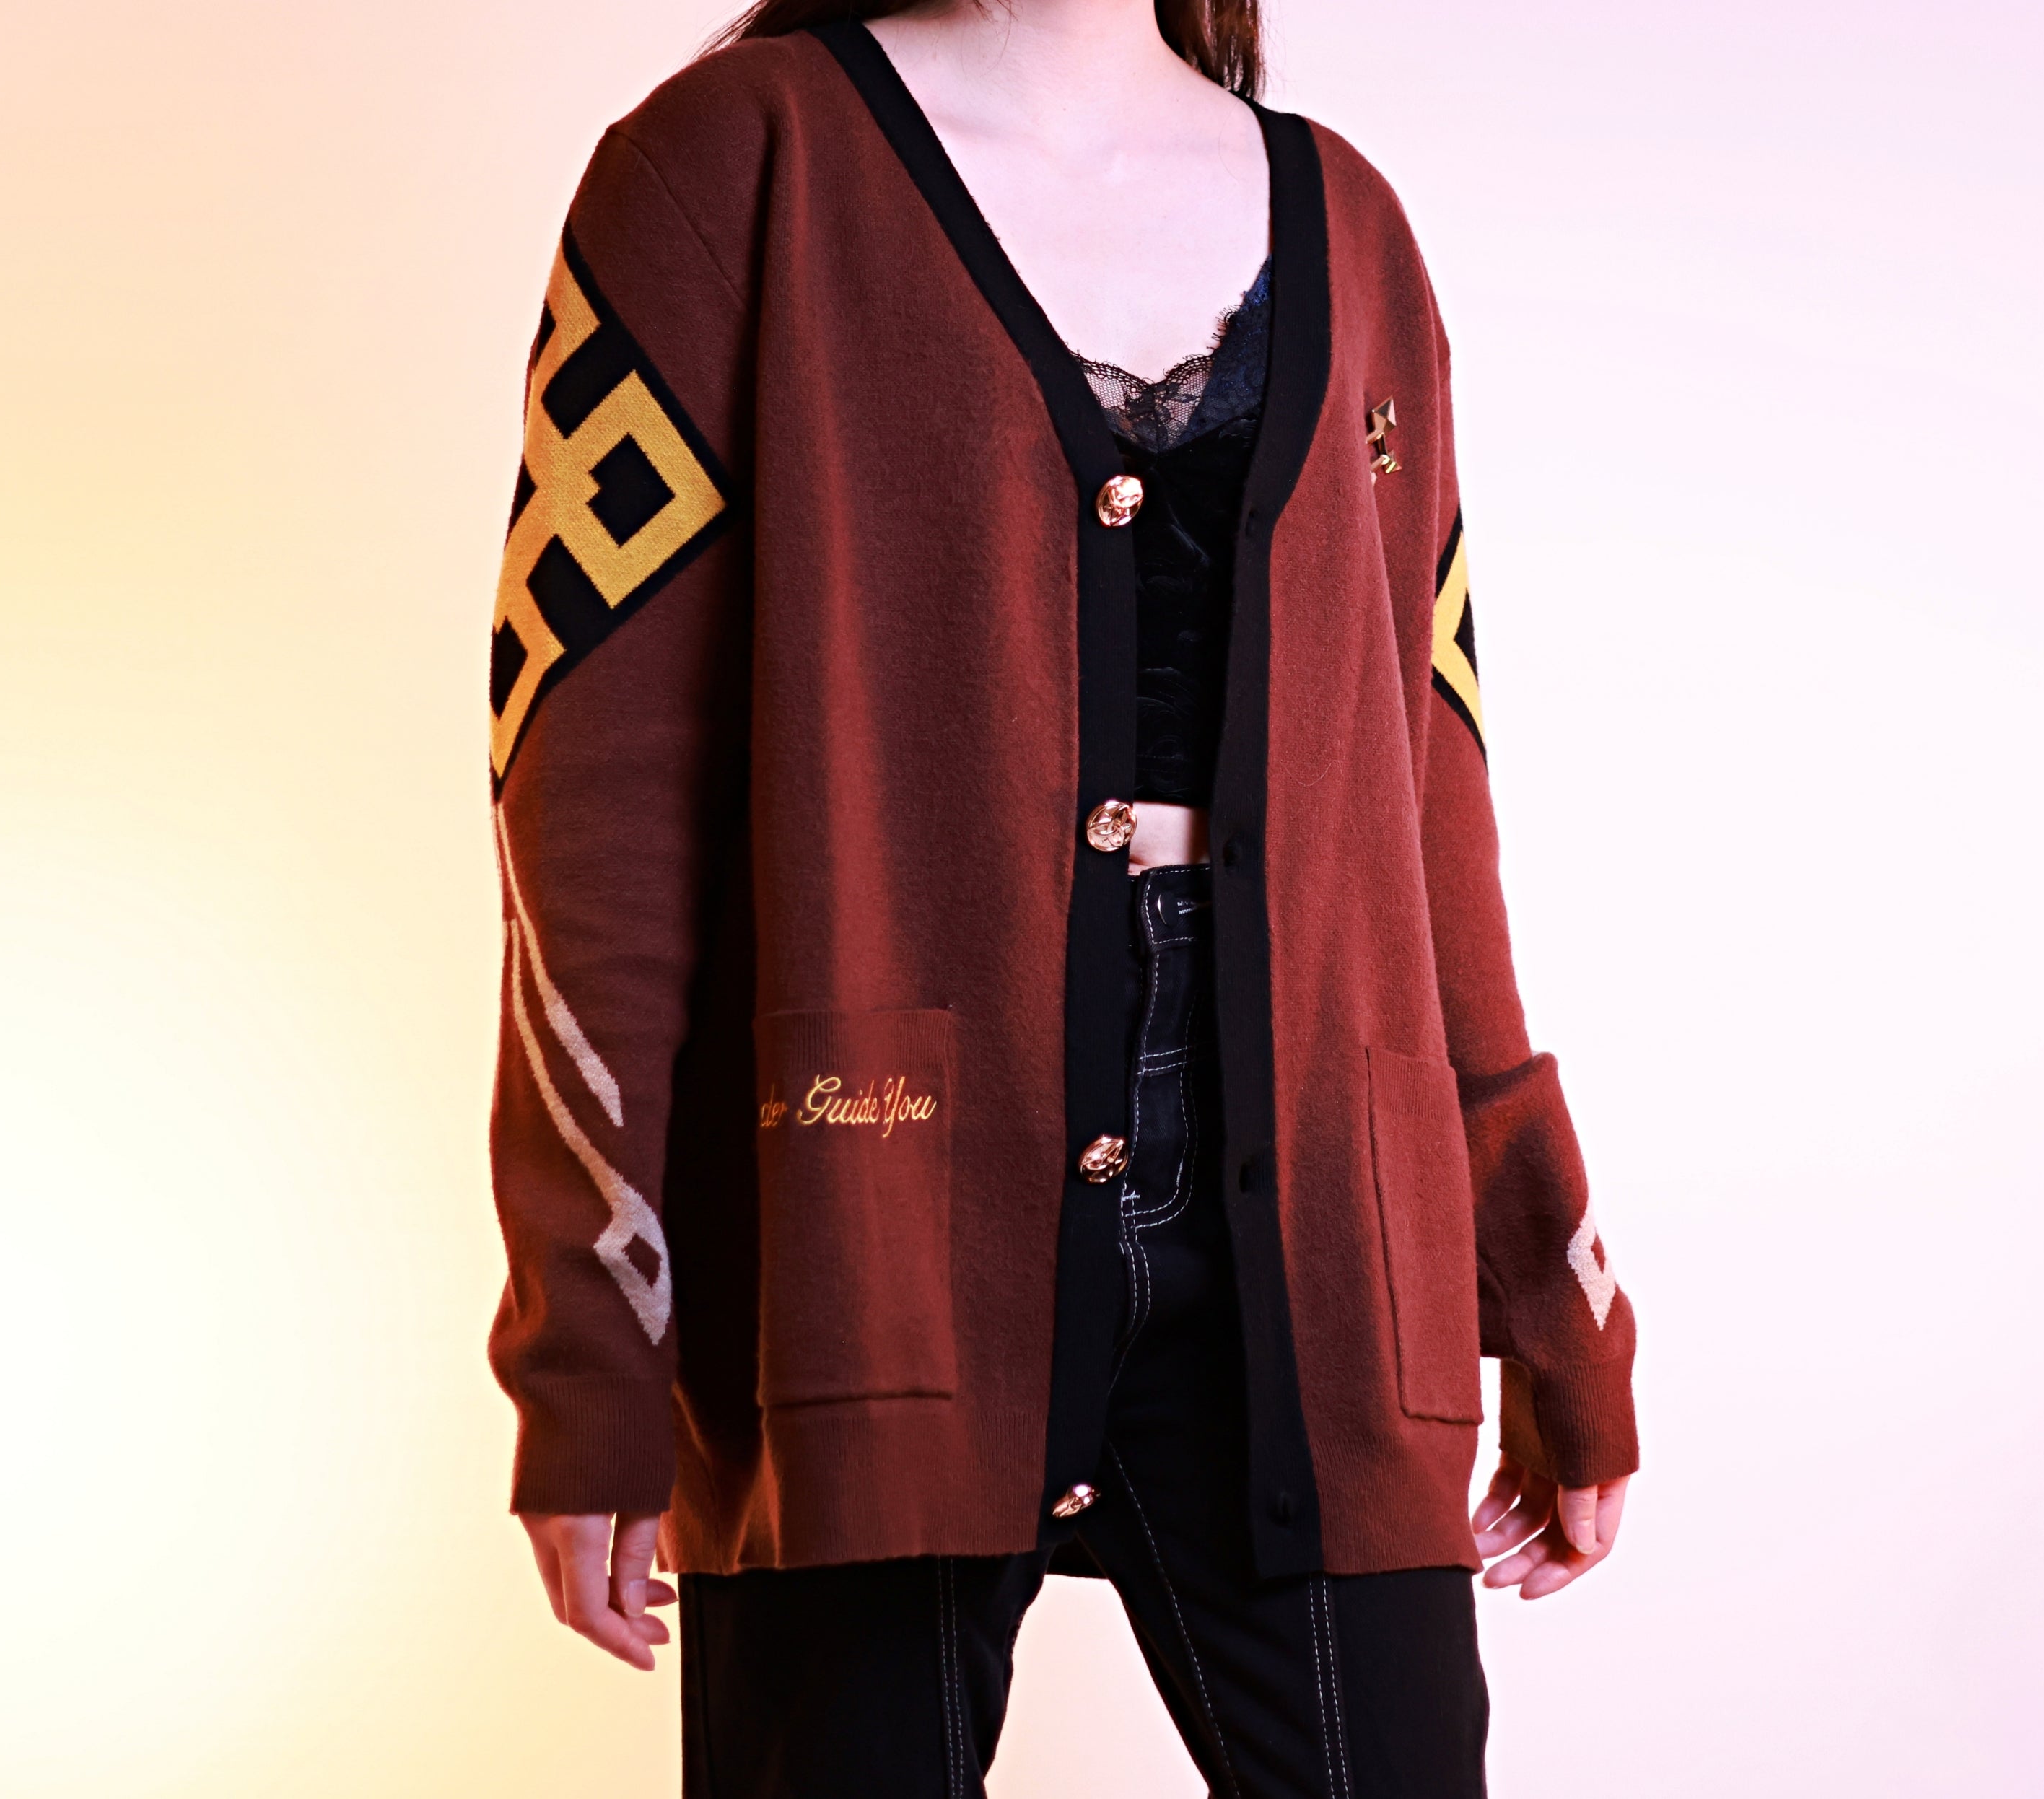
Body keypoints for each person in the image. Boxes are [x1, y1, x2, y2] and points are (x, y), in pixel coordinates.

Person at [484, 1, 1638, 1791]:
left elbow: (1432, 795)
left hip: (1323, 1223)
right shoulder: (728, 170)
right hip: (869, 1217)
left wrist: (1549, 1285)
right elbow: (593, 794)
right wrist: (593, 1338)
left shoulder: (1353, 229)